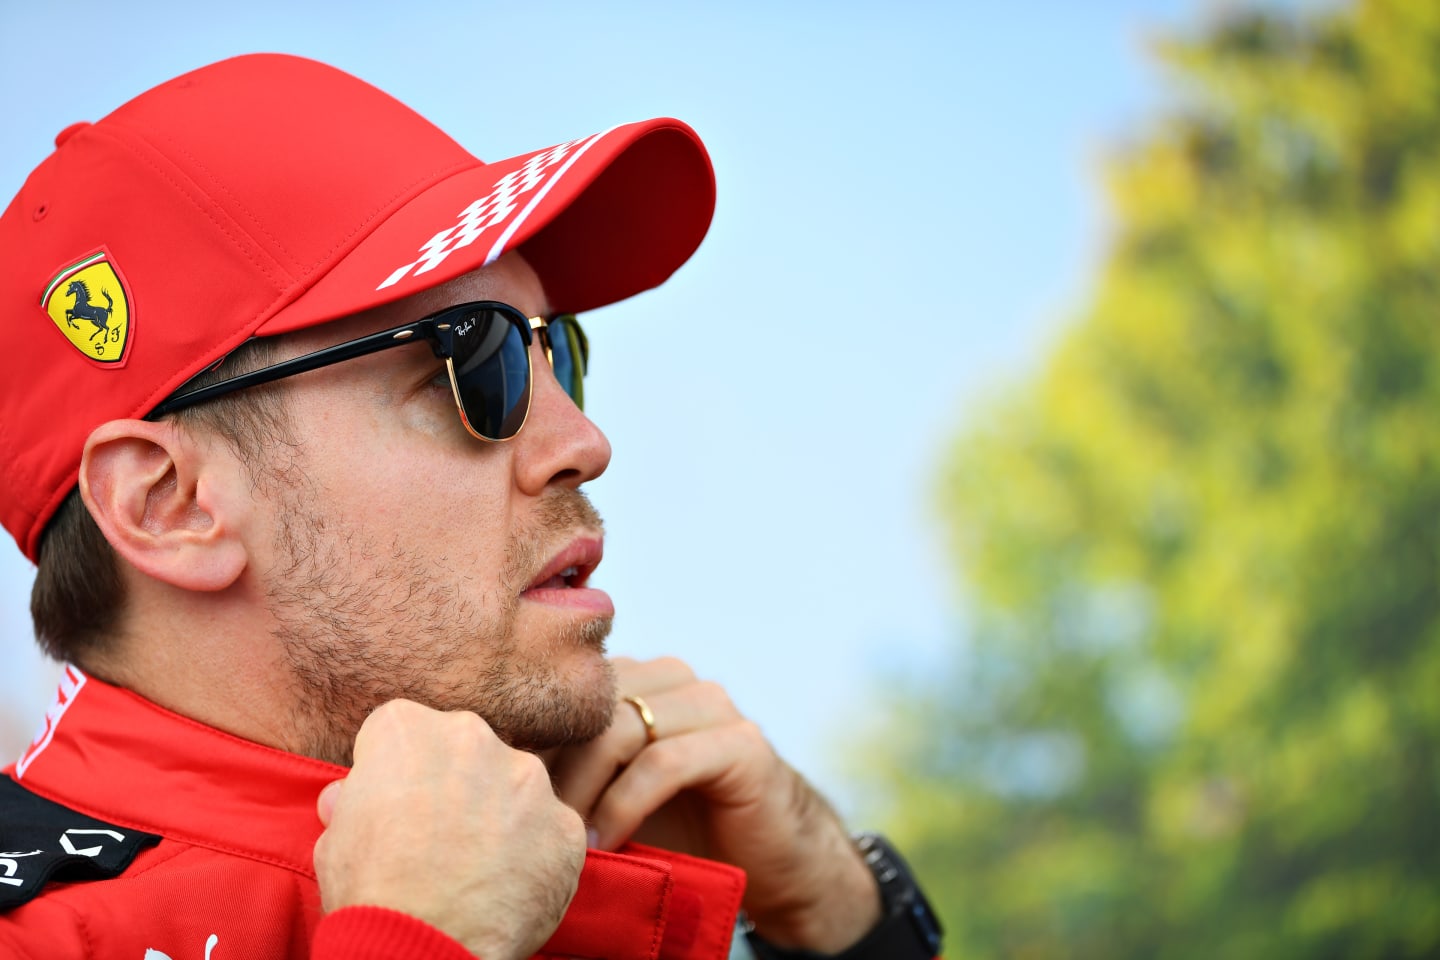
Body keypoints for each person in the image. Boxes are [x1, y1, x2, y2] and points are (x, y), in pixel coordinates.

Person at [0, 54, 942, 960]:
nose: (584, 443)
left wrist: (840, 924)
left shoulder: (580, 869)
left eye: (558, 352)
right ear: (170, 505)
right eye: (474, 361)